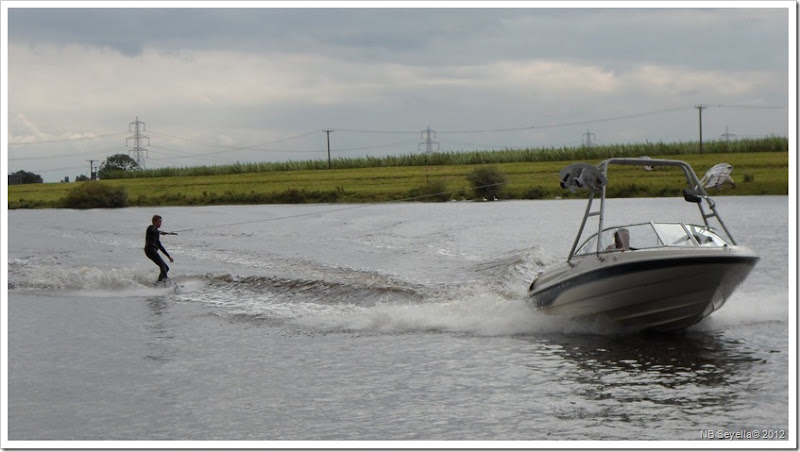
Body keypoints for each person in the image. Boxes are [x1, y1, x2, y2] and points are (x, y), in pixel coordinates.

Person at [144, 215, 174, 283]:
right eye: (159, 222)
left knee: (166, 268)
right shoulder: (150, 228)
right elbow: (153, 231)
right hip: (150, 250)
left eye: (161, 222)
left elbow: (160, 245)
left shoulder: (156, 232)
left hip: (153, 250)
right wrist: (160, 232)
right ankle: (164, 282)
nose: (160, 223)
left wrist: (168, 256)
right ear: (154, 222)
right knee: (163, 267)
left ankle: (158, 283)